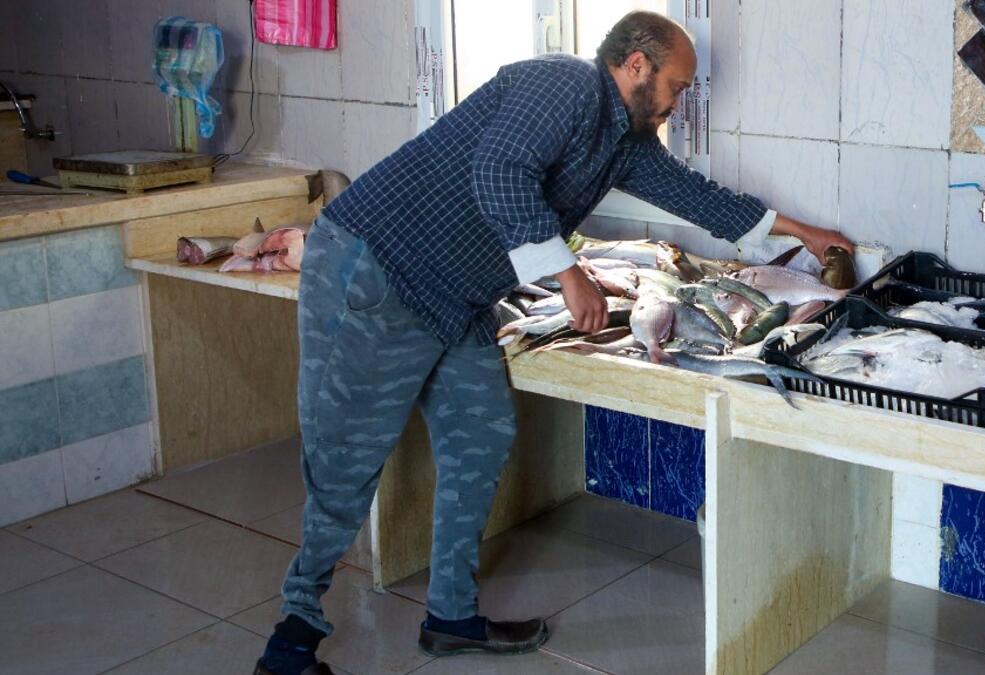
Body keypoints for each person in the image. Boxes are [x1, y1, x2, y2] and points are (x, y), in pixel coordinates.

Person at [254, 10, 853, 675]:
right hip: (375, 268)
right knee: (344, 463)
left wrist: (805, 232)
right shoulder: (563, 85)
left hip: (455, 297)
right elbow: (500, 172)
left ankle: (450, 614)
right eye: (678, 86)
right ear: (636, 66)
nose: (680, 103)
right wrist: (567, 274)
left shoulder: (623, 141)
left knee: (480, 435)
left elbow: (697, 195)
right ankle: (292, 638)